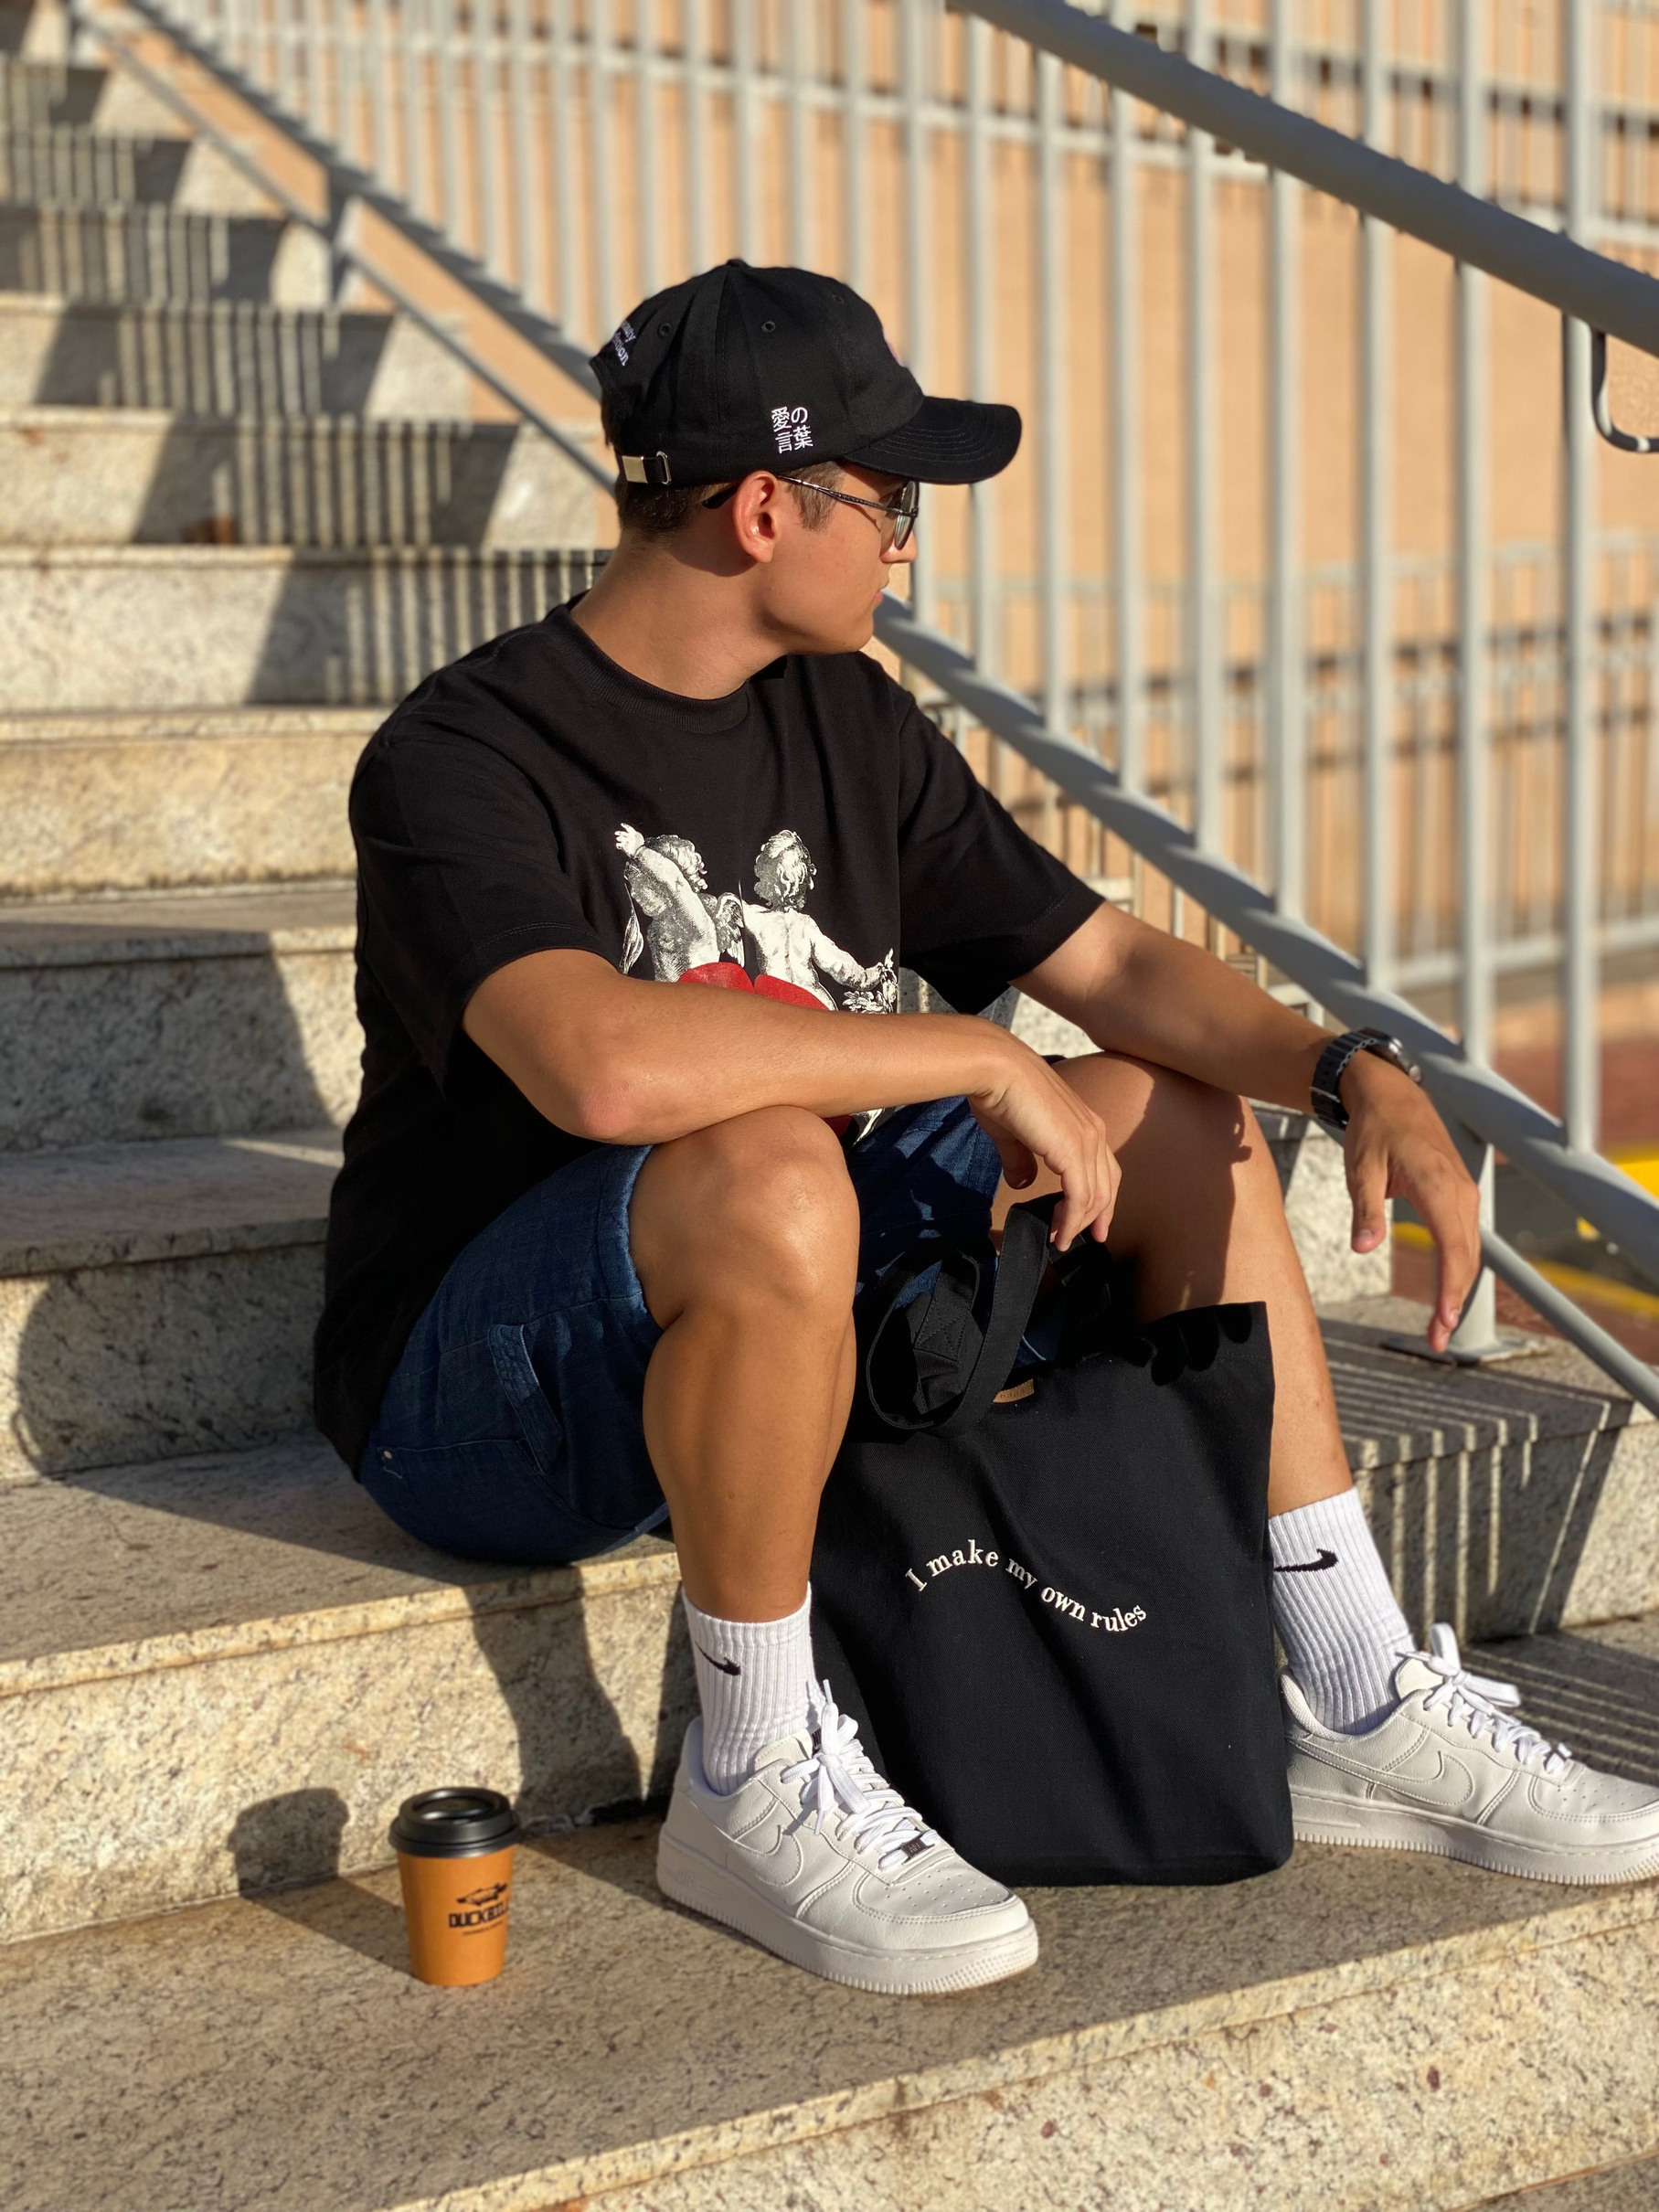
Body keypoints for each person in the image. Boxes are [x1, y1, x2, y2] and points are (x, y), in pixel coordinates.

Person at [317, 261, 1659, 1996]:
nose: (906, 546)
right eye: (891, 501)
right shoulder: (464, 753)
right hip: (485, 1387)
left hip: (772, 1304)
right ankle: (752, 1770)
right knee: (770, 1165)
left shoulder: (843, 716)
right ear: (762, 509)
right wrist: (962, 1051)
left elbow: (1108, 963)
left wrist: (1348, 1069)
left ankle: (1349, 1689)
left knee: (1170, 1120)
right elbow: (601, 1073)